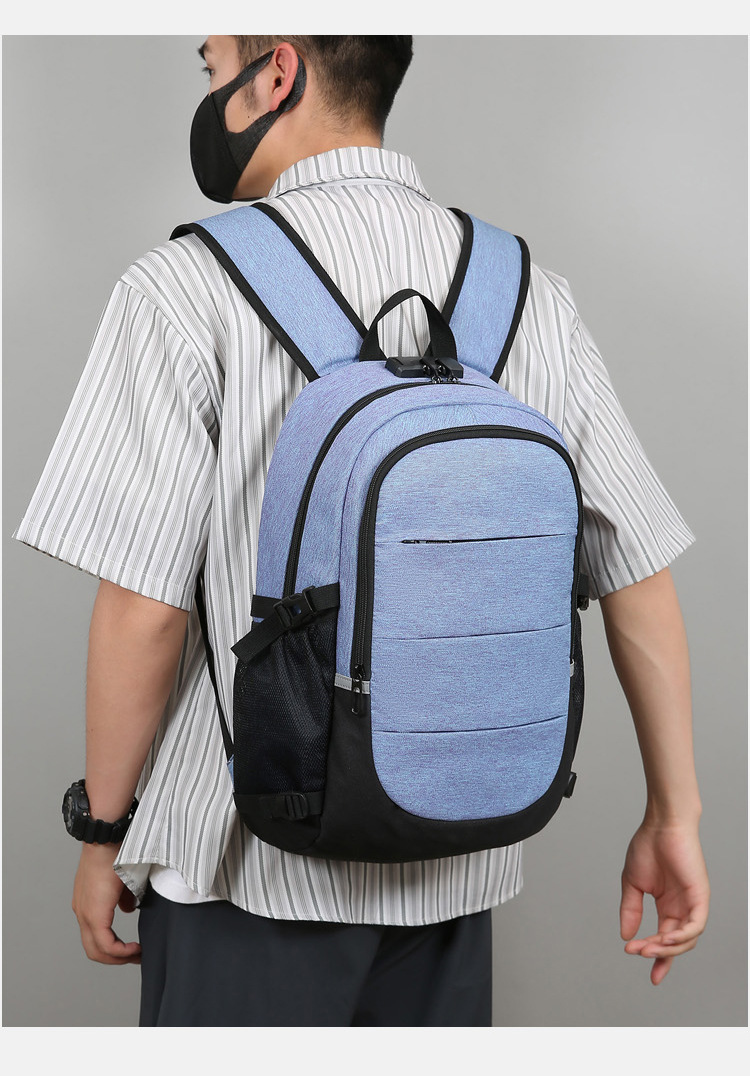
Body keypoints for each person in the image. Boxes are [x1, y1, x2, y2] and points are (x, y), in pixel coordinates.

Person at [12, 35, 710, 1026]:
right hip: (458, 852)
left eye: (212, 68)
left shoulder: (183, 288)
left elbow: (143, 607)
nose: (208, 93)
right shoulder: (526, 292)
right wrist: (674, 813)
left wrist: (104, 832)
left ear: (277, 72)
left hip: (245, 864)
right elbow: (634, 569)